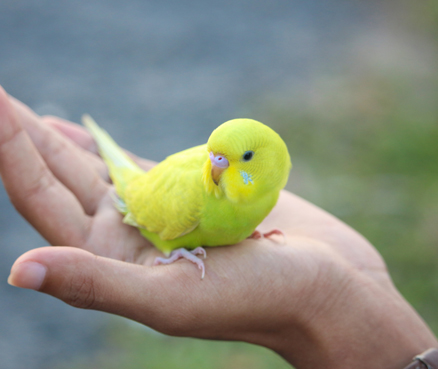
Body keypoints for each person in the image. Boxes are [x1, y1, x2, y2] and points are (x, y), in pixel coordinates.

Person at [1, 85, 437, 369]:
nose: (214, 165)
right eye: (213, 155)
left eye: (233, 159)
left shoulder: (266, 188)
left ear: (269, 164)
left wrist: (328, 295)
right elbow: (138, 203)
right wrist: (174, 251)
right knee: (137, 185)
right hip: (150, 205)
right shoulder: (194, 196)